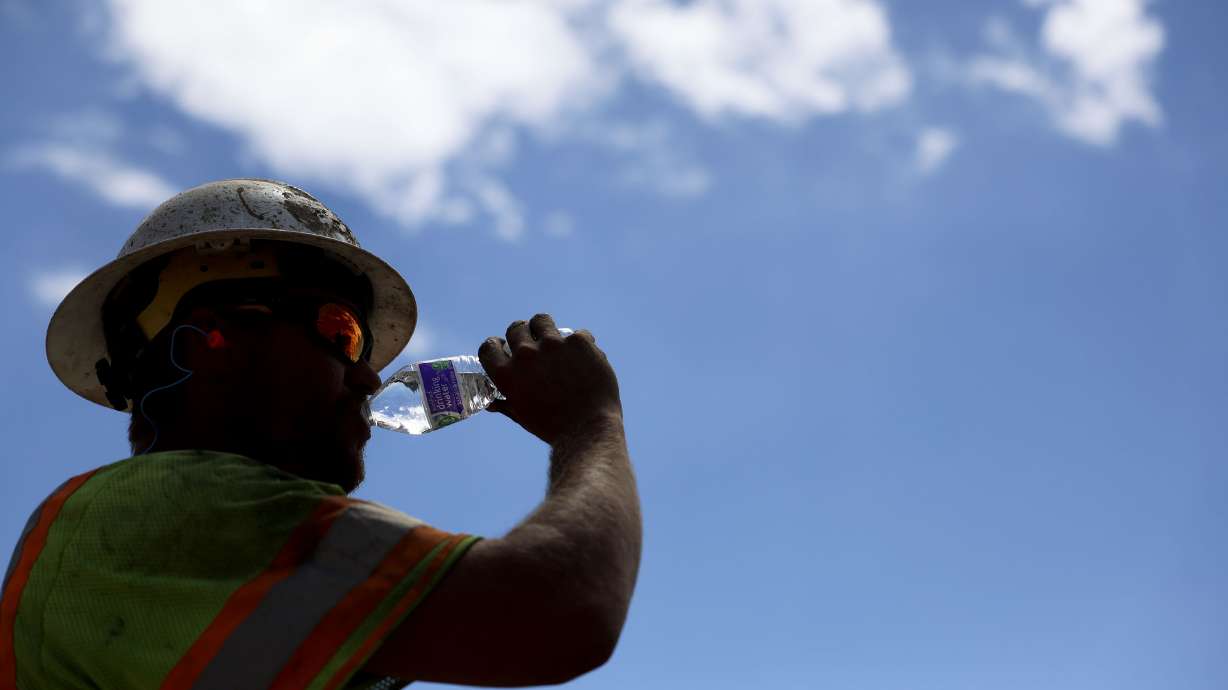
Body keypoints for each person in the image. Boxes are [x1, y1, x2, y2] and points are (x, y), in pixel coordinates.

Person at [0, 179, 641, 689]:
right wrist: (590, 424)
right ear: (209, 341)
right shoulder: (167, 509)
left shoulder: (199, 557)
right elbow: (554, 613)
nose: (367, 379)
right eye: (340, 334)